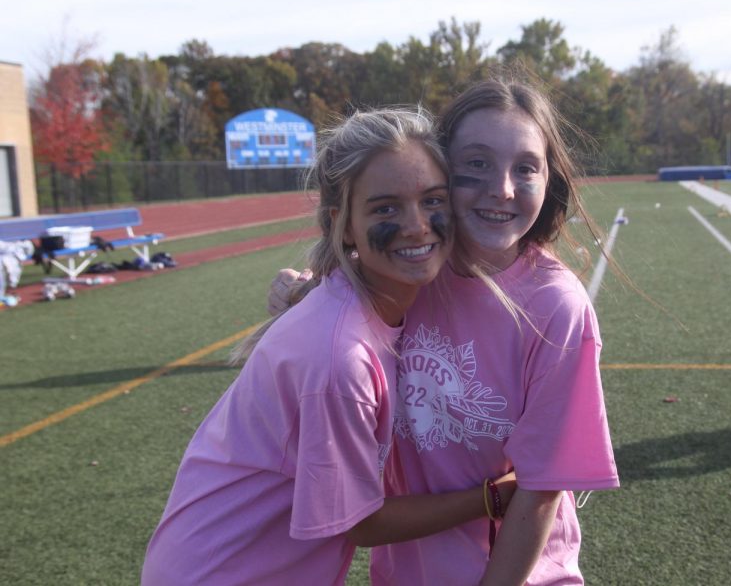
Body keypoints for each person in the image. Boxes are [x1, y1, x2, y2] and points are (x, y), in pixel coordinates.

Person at [141, 108, 516, 586]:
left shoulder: (355, 304)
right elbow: (361, 523)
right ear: (343, 224)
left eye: (433, 200)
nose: (418, 225)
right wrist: (495, 497)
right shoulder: (341, 359)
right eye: (385, 208)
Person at [270, 78, 619, 585]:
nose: (502, 187)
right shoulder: (409, 271)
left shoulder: (555, 307)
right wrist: (293, 292)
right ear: (439, 173)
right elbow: (335, 294)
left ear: (549, 181)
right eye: (475, 164)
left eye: (526, 168)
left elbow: (540, 490)